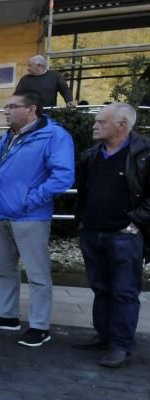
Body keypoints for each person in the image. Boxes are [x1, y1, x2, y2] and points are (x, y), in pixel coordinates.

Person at [0, 93, 75, 347]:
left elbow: (62, 177)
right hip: (0, 212)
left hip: (30, 215)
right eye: (6, 106)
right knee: (3, 269)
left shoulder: (54, 136)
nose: (6, 111)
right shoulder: (7, 136)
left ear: (32, 109)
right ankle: (7, 315)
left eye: (12, 106)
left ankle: (40, 326)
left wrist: (29, 200)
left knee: (37, 273)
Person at [73, 103, 148, 368]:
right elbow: (84, 190)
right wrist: (81, 221)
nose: (95, 125)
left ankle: (121, 345)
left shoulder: (144, 153)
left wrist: (135, 223)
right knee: (101, 288)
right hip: (93, 232)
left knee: (125, 292)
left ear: (122, 125)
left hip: (125, 236)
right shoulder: (92, 154)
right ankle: (104, 336)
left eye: (101, 122)